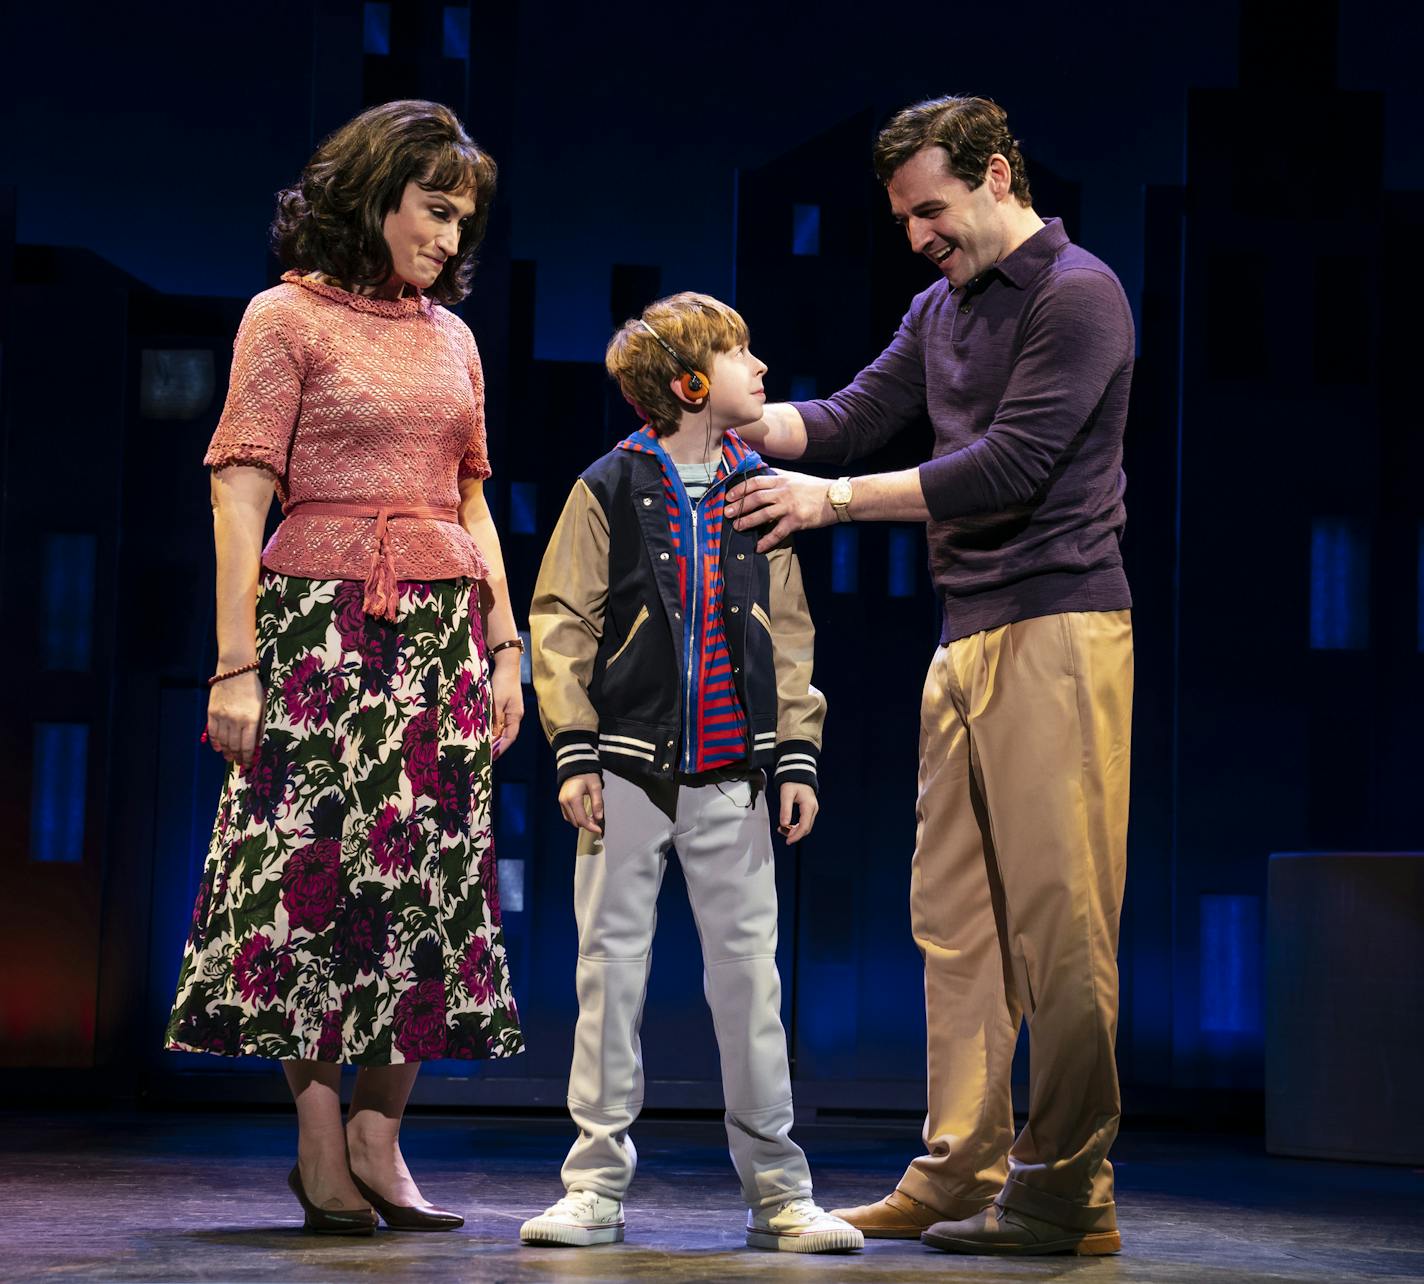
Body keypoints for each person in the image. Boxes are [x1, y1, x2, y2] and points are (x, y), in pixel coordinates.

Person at [726, 95, 1134, 1257]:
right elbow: (856, 415)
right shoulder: (939, 307)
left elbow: (1005, 466)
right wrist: (737, 419)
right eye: (904, 217)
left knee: (1057, 925)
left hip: (1058, 626)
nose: (917, 236)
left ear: (998, 176)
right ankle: (961, 1165)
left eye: (931, 210)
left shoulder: (1078, 295)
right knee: (952, 919)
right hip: (962, 640)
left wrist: (830, 504)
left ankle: (1066, 1188)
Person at [165, 100, 524, 1236]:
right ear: (372, 196)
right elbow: (239, 490)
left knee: (426, 879)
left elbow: (470, 493)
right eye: (433, 210)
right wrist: (235, 666)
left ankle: (381, 1133)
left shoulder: (452, 338)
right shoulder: (283, 318)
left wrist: (505, 642)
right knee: (307, 880)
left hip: (438, 636)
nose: (449, 238)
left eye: (463, 219)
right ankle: (320, 1144)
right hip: (317, 632)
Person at [522, 293, 861, 1254]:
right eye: (741, 353)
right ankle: (592, 1186)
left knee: (751, 985)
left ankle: (779, 1193)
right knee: (609, 978)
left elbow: (788, 634)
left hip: (732, 778)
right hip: (626, 772)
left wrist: (797, 753)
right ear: (690, 384)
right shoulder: (610, 486)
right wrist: (574, 749)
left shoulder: (765, 489)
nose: (762, 368)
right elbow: (564, 619)